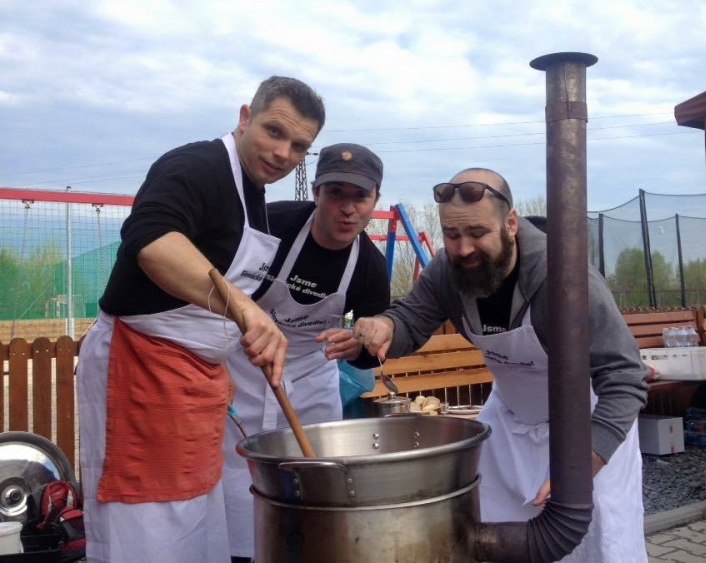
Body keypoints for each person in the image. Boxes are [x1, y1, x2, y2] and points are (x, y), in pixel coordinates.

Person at [76, 76, 325, 563]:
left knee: (191, 522)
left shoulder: (254, 192)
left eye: (299, 146)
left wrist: (226, 346)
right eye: (274, 131)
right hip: (141, 373)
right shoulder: (197, 165)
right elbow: (152, 242)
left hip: (194, 382)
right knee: (150, 527)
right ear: (244, 116)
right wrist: (246, 310)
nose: (283, 152)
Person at [353, 168, 649, 562]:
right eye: (452, 235)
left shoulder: (566, 280)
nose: (463, 249)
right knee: (494, 535)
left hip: (589, 427)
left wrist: (584, 464)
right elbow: (413, 317)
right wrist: (385, 325)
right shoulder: (447, 271)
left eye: (477, 233)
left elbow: (625, 377)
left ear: (510, 223)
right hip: (510, 426)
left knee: (598, 544)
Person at [222, 143, 390, 562]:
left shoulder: (368, 265)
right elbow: (216, 284)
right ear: (316, 193)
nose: (347, 209)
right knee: (232, 479)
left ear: (375, 202)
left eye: (360, 197)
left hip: (311, 382)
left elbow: (371, 354)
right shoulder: (272, 225)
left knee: (311, 481)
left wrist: (358, 346)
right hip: (244, 369)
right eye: (336, 194)